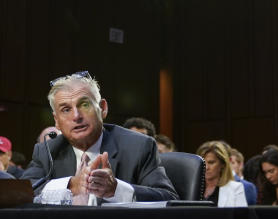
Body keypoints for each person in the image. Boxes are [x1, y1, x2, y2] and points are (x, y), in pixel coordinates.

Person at [21, 71, 177, 202]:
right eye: (66, 109)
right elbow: (21, 192)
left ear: (102, 108)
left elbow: (168, 198)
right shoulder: (47, 151)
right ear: (56, 121)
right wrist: (70, 185)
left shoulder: (138, 147)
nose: (76, 116)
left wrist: (116, 189)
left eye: (85, 105)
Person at [197, 140, 246, 206]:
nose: (206, 167)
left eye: (211, 162)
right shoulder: (193, 187)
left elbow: (241, 215)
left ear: (222, 164)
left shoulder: (235, 188)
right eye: (203, 163)